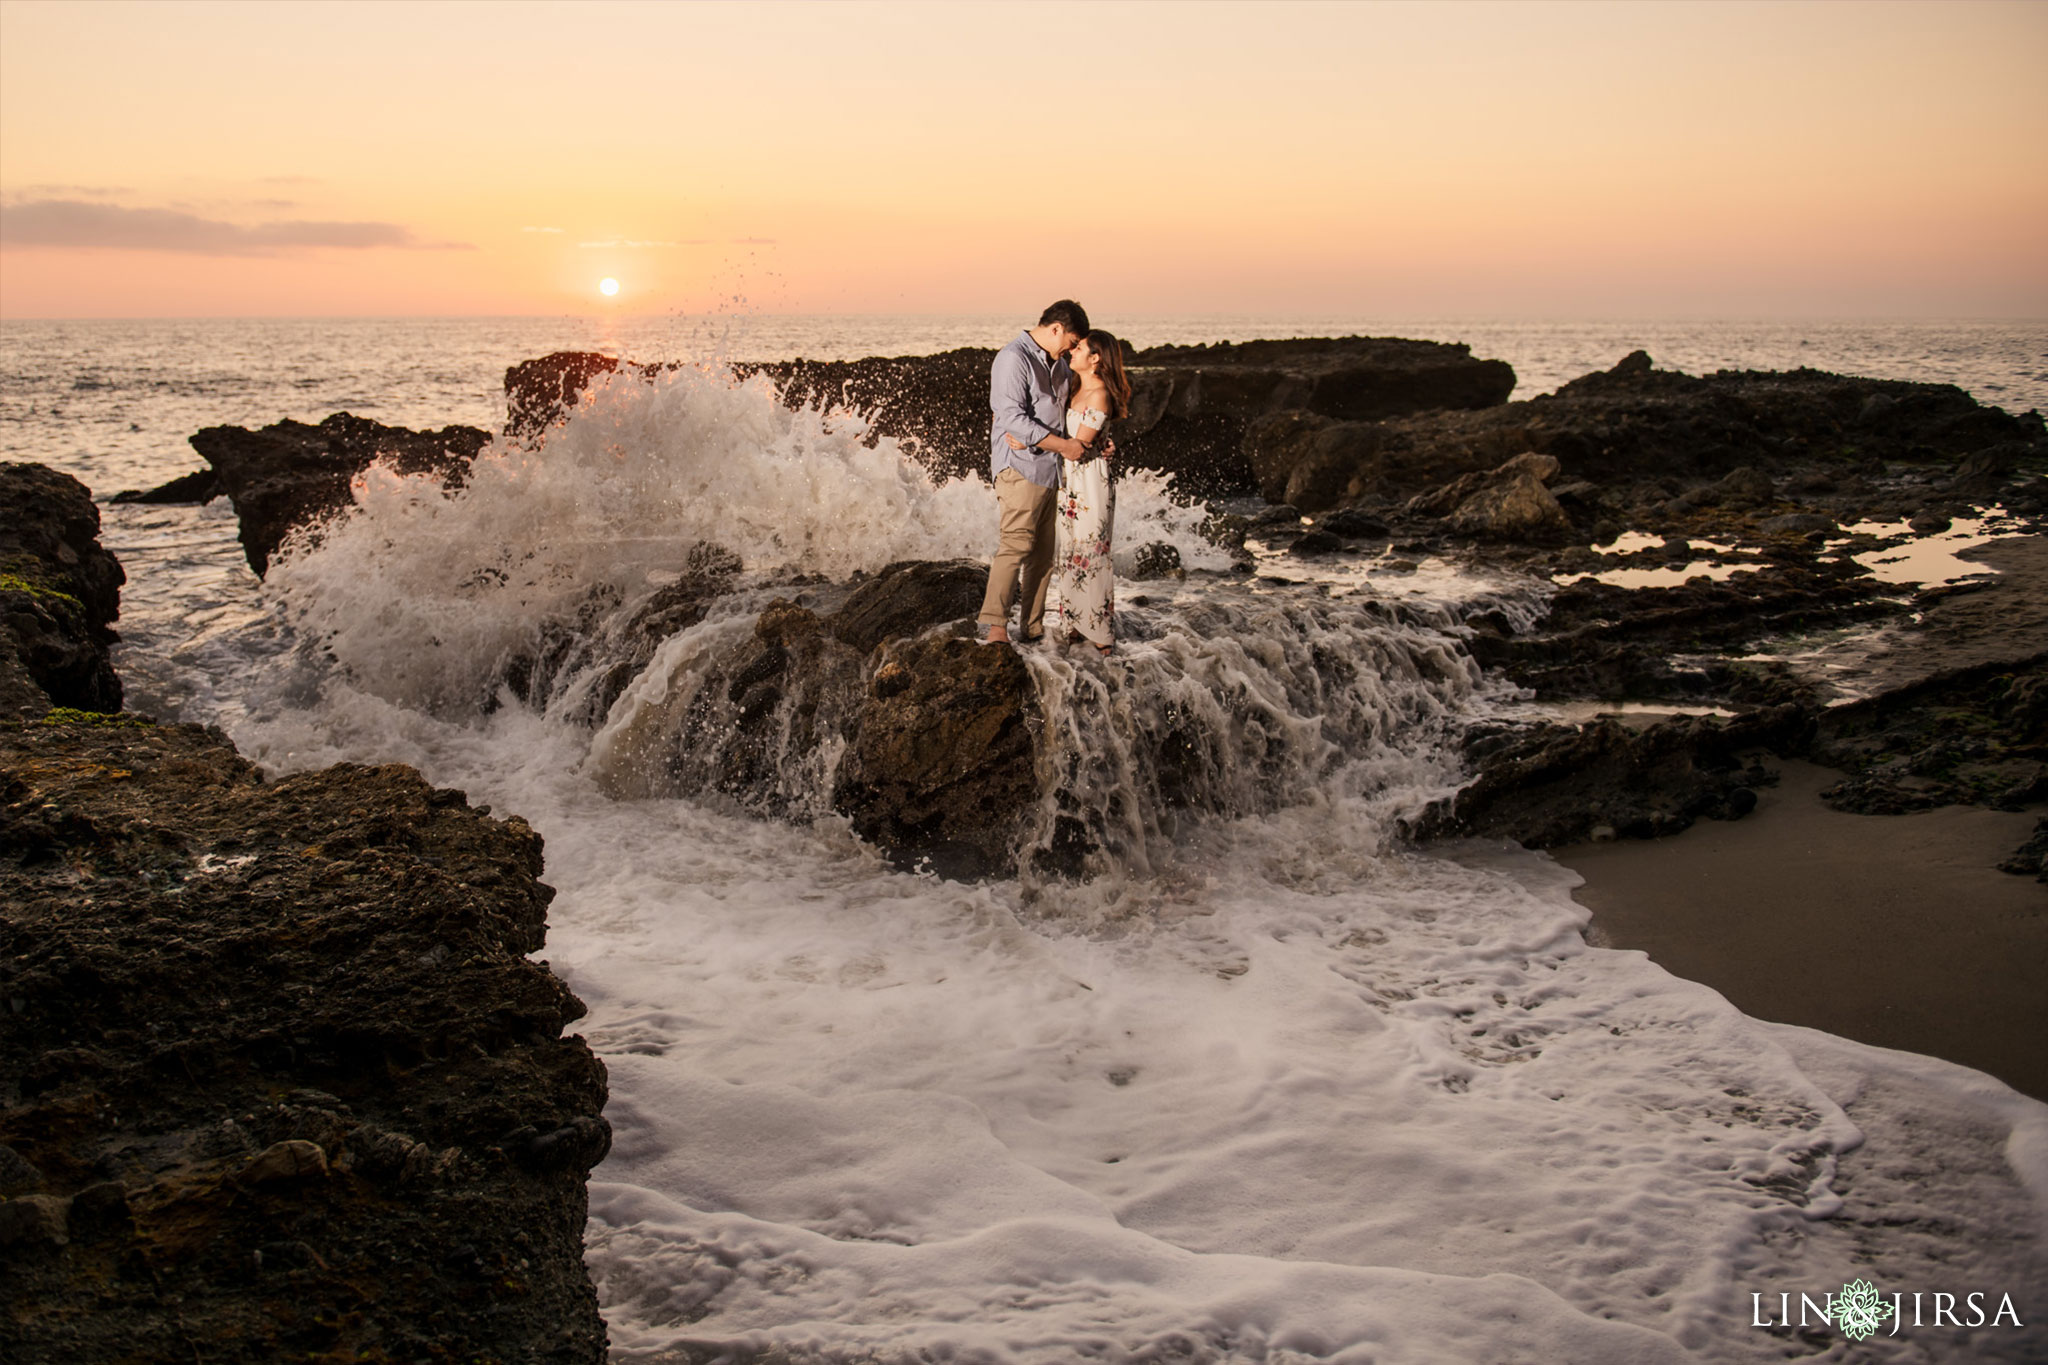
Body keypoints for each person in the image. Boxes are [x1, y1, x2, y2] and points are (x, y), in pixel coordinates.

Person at [977, 301, 1091, 646]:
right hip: (1019, 467)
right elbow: (1011, 418)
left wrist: (1094, 442)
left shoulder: (1058, 365)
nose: (1073, 351)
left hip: (1048, 467)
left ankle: (1033, 627)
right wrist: (1062, 446)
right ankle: (994, 624)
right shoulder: (1014, 358)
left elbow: (1068, 413)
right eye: (1071, 342)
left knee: (1042, 556)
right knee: (1016, 544)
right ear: (1055, 328)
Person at [1008, 330, 1129, 653]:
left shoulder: (1100, 394)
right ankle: (1075, 621)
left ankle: (1100, 630)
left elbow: (1077, 447)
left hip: (1090, 483)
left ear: (1096, 358)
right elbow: (1065, 436)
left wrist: (1030, 438)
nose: (1072, 352)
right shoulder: (1073, 387)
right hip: (1070, 484)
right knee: (1071, 553)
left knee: (1092, 551)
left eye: (1080, 349)